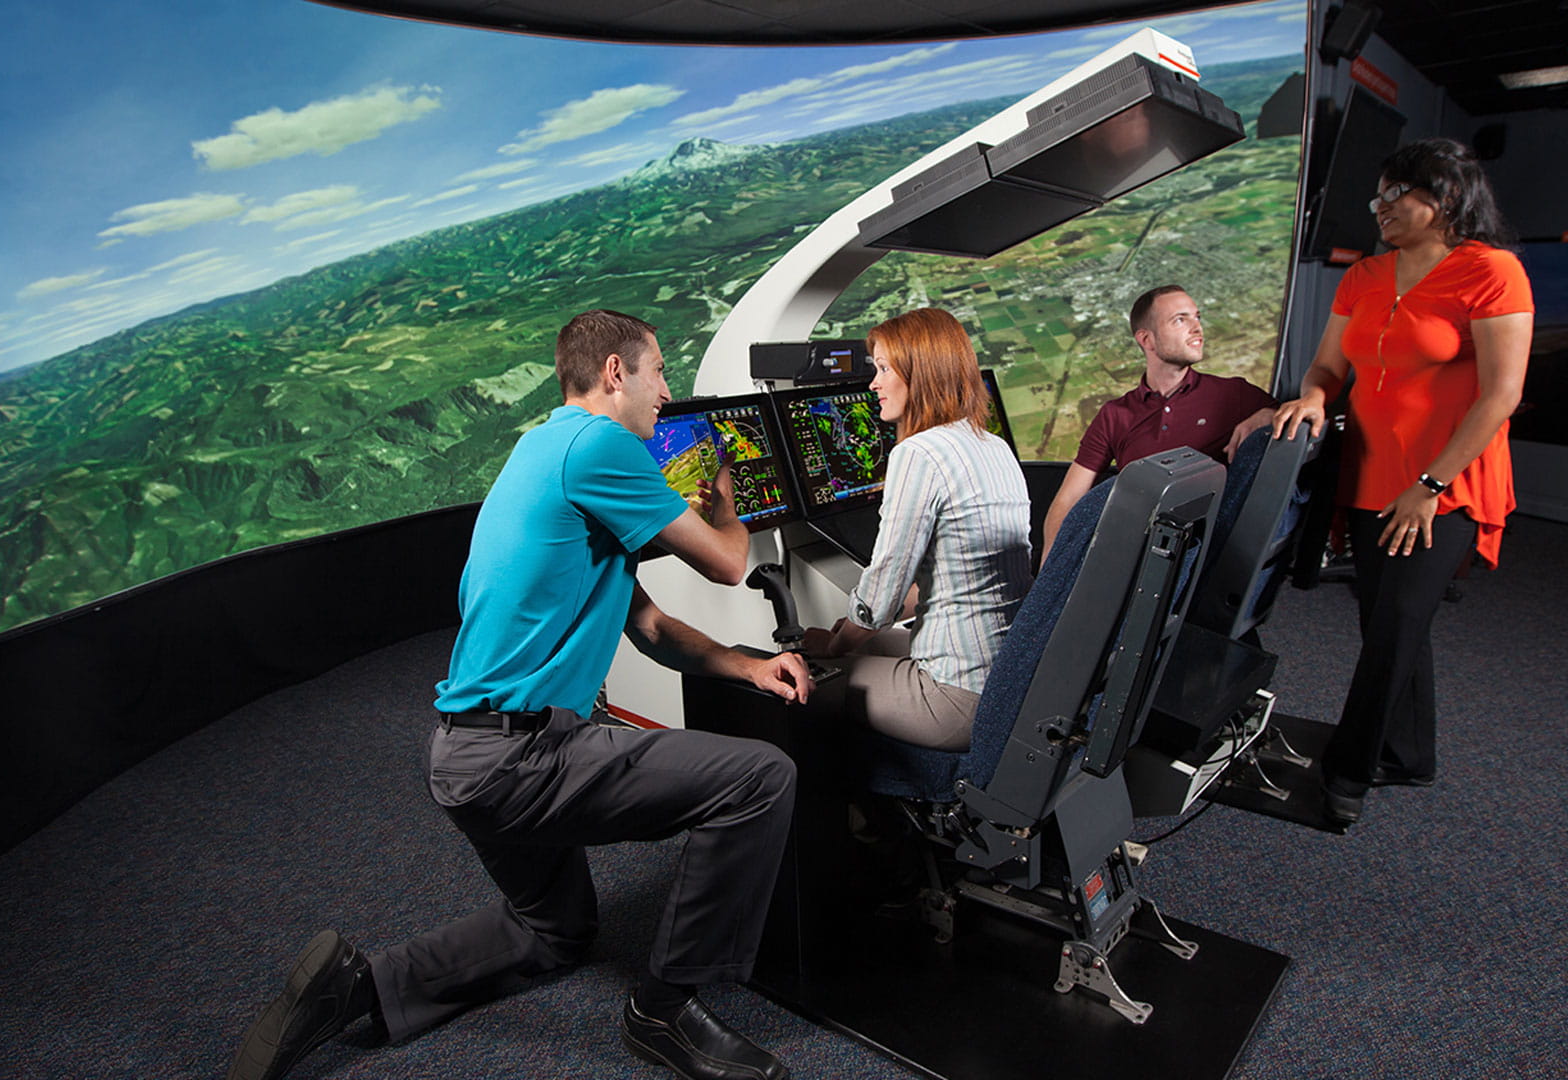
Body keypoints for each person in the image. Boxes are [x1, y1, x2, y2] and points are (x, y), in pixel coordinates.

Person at [226, 310, 814, 1080]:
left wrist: (744, 664)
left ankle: (358, 990)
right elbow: (731, 564)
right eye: (659, 373)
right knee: (759, 780)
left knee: (554, 931)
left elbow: (650, 626)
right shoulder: (603, 444)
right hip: (526, 755)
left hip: (462, 754)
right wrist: (723, 495)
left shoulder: (542, 448)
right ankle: (664, 1013)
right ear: (614, 374)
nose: (667, 393)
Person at [1272, 137, 1532, 826]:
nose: (1379, 208)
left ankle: (1348, 771)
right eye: (1377, 196)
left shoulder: (1492, 272)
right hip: (1366, 478)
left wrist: (1430, 484)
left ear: (1442, 199)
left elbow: (1500, 396)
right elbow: (1327, 368)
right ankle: (1409, 753)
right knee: (1384, 623)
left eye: (1395, 195)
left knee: (1396, 624)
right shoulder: (1363, 274)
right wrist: (1316, 398)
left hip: (1445, 485)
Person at [801, 308, 1032, 751]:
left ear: (920, 373)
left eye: (884, 368)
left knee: (809, 678)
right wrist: (848, 633)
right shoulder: (993, 445)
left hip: (954, 697)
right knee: (851, 639)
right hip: (1007, 679)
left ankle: (849, 816)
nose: (873, 383)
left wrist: (834, 647)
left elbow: (881, 597)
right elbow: (953, 571)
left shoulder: (919, 453)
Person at [1041, 285, 1277, 566]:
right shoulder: (1115, 415)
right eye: (1180, 319)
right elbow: (1069, 499)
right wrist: (1049, 567)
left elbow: (1295, 418)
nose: (1197, 328)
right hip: (1128, 554)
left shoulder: (1234, 395)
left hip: (1201, 558)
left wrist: (1268, 414)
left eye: (1197, 317)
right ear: (1147, 340)